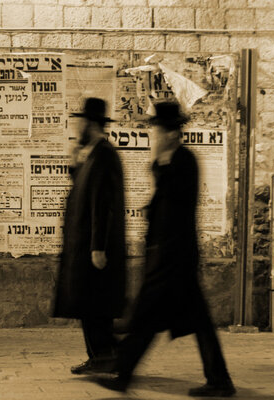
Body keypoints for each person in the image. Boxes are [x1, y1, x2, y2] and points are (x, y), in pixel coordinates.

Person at [95, 100, 236, 397]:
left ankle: (125, 374)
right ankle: (218, 379)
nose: (155, 136)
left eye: (158, 130)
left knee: (147, 317)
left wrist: (160, 164)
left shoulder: (184, 161)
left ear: (171, 133)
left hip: (175, 256)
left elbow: (178, 205)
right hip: (169, 255)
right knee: (190, 321)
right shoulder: (170, 160)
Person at [53, 97, 127, 375]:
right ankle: (101, 356)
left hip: (94, 247)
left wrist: (98, 246)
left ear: (92, 124)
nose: (77, 126)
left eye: (81, 121)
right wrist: (74, 165)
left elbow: (103, 204)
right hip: (84, 246)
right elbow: (84, 193)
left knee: (95, 304)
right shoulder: (93, 154)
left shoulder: (105, 155)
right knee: (89, 304)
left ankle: (107, 355)